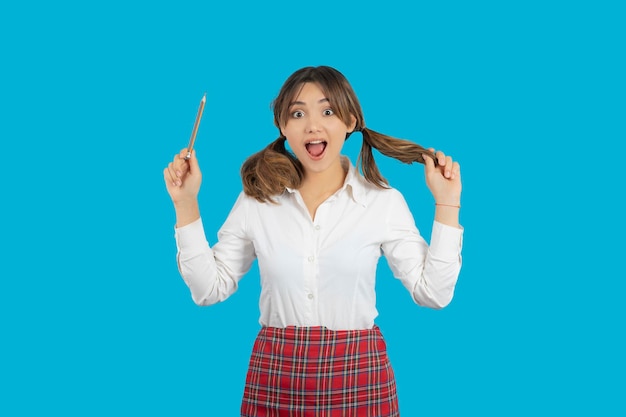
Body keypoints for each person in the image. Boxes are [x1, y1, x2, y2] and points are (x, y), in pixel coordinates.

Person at [163, 65, 463, 416]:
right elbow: (208, 289)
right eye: (298, 113)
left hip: (358, 379)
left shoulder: (382, 202)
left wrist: (447, 202)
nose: (313, 125)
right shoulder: (257, 200)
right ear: (283, 126)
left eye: (328, 111)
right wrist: (185, 204)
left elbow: (434, 292)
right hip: (274, 380)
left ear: (350, 121)